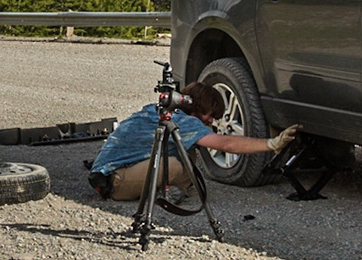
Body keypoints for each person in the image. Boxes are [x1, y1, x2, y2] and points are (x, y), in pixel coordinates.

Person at [86, 82, 296, 201]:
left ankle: (179, 187)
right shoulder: (185, 123)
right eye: (210, 114)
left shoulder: (158, 110)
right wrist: (271, 144)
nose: (212, 120)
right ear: (199, 108)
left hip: (105, 172)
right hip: (114, 183)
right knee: (175, 163)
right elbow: (227, 145)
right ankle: (181, 190)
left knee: (185, 150)